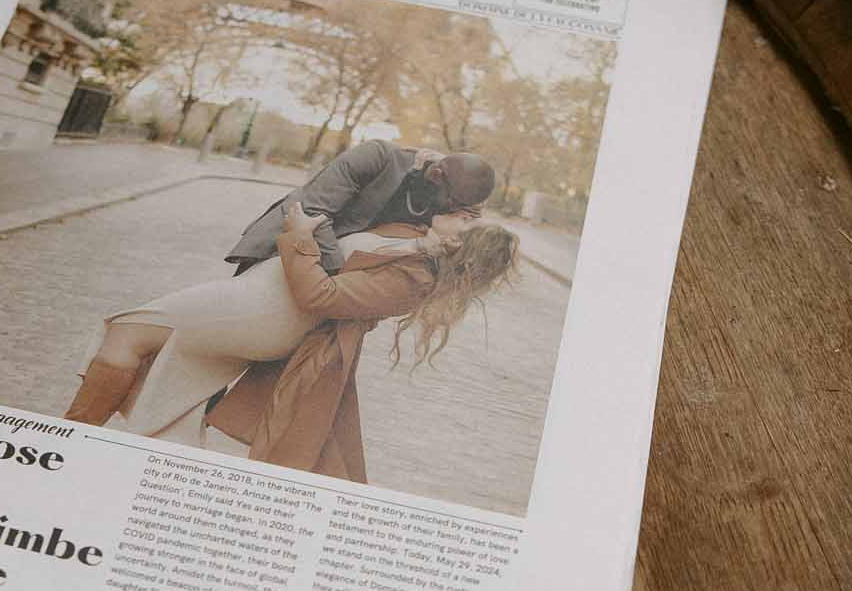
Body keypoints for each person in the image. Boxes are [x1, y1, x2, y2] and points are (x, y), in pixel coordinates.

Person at [64, 203, 521, 483]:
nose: (467, 209)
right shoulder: (414, 241)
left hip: (267, 313)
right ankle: (129, 470)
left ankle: (69, 439)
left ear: (462, 242)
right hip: (261, 299)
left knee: (127, 330)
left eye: (470, 219)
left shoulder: (414, 279)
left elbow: (321, 296)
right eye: (467, 211)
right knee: (180, 382)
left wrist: (300, 236)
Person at [225, 140, 497, 275]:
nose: (453, 210)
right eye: (453, 202)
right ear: (437, 175)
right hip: (282, 251)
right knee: (220, 345)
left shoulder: (450, 191)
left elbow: (471, 219)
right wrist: (340, 275)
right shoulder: (377, 156)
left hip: (326, 282)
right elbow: (314, 212)